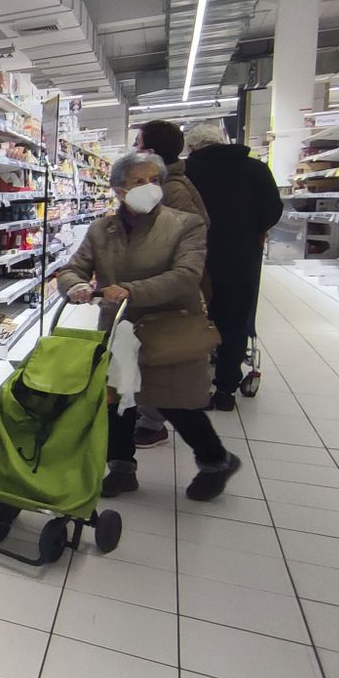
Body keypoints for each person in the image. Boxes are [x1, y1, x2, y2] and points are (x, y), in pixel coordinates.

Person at [55, 151, 242, 501]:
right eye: (138, 181)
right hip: (118, 329)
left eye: (154, 180)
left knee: (174, 402)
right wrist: (75, 285)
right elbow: (73, 269)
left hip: (168, 329)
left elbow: (186, 276)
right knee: (117, 400)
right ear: (118, 190)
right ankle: (122, 468)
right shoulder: (101, 230)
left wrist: (129, 290)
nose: (149, 187)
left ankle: (217, 461)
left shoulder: (185, 224)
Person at [183, 120, 284, 411]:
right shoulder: (255, 169)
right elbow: (273, 210)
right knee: (236, 321)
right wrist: (253, 230)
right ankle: (226, 389)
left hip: (197, 259)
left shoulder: (188, 172)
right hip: (242, 258)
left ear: (192, 147)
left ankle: (196, 388)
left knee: (195, 320)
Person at [130, 120, 209, 447]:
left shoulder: (172, 188)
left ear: (151, 150)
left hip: (167, 291)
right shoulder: (160, 183)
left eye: (139, 144)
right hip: (153, 288)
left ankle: (209, 454)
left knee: (160, 363)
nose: (135, 149)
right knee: (144, 360)